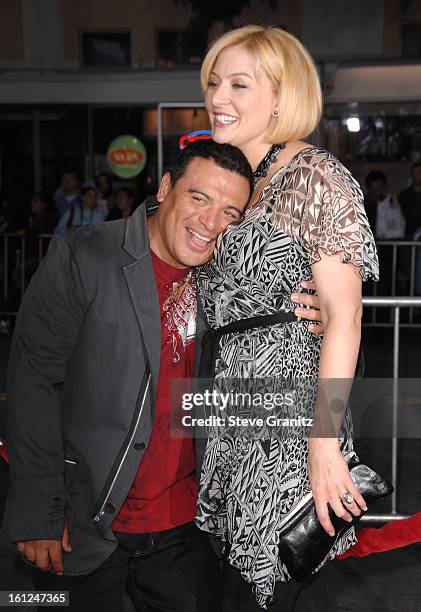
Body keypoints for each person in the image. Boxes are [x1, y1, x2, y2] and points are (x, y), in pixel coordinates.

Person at [1, 140, 323, 611]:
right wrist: (38, 512)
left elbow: (276, 392)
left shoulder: (233, 281)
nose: (211, 224)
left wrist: (324, 330)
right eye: (199, 198)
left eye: (231, 213)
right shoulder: (85, 256)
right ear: (166, 187)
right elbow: (33, 383)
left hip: (186, 534)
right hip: (86, 524)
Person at [194, 25, 379, 610]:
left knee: (268, 587)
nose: (218, 98)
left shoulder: (311, 177)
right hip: (229, 410)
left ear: (282, 95)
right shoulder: (238, 181)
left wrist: (324, 445)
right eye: (214, 83)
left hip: (288, 422)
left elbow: (345, 319)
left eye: (239, 84)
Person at [13, 193, 57, 290]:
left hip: (41, 257)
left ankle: (27, 301)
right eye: (32, 200)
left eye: (36, 200)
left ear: (44, 204)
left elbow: (44, 231)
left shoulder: (49, 216)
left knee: (19, 272)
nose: (32, 203)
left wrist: (26, 232)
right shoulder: (33, 218)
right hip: (31, 257)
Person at [364, 170, 405, 240]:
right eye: (374, 189)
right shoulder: (363, 205)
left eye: (379, 189)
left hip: (386, 242)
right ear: (369, 189)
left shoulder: (390, 204)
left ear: (384, 188)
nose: (377, 192)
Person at [399, 162, 421, 239]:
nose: (416, 176)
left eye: (419, 173)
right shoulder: (405, 195)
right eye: (413, 173)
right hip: (408, 234)